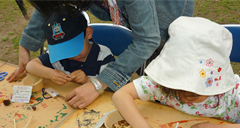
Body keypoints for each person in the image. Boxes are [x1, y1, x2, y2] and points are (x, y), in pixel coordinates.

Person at [8, 0, 194, 109]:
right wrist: (26, 45)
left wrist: (98, 83)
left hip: (165, 20)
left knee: (167, 83)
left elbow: (147, 39)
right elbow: (52, 4)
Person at [112, 16, 240, 128]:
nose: (184, 99)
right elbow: (120, 96)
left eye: (194, 95)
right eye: (176, 92)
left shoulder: (232, 93)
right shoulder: (162, 85)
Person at [26, 10, 115, 87]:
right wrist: (50, 74)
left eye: (74, 48)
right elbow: (30, 66)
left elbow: (115, 85)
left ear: (88, 33)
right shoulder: (59, 56)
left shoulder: (104, 56)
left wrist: (87, 80)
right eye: (64, 50)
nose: (71, 55)